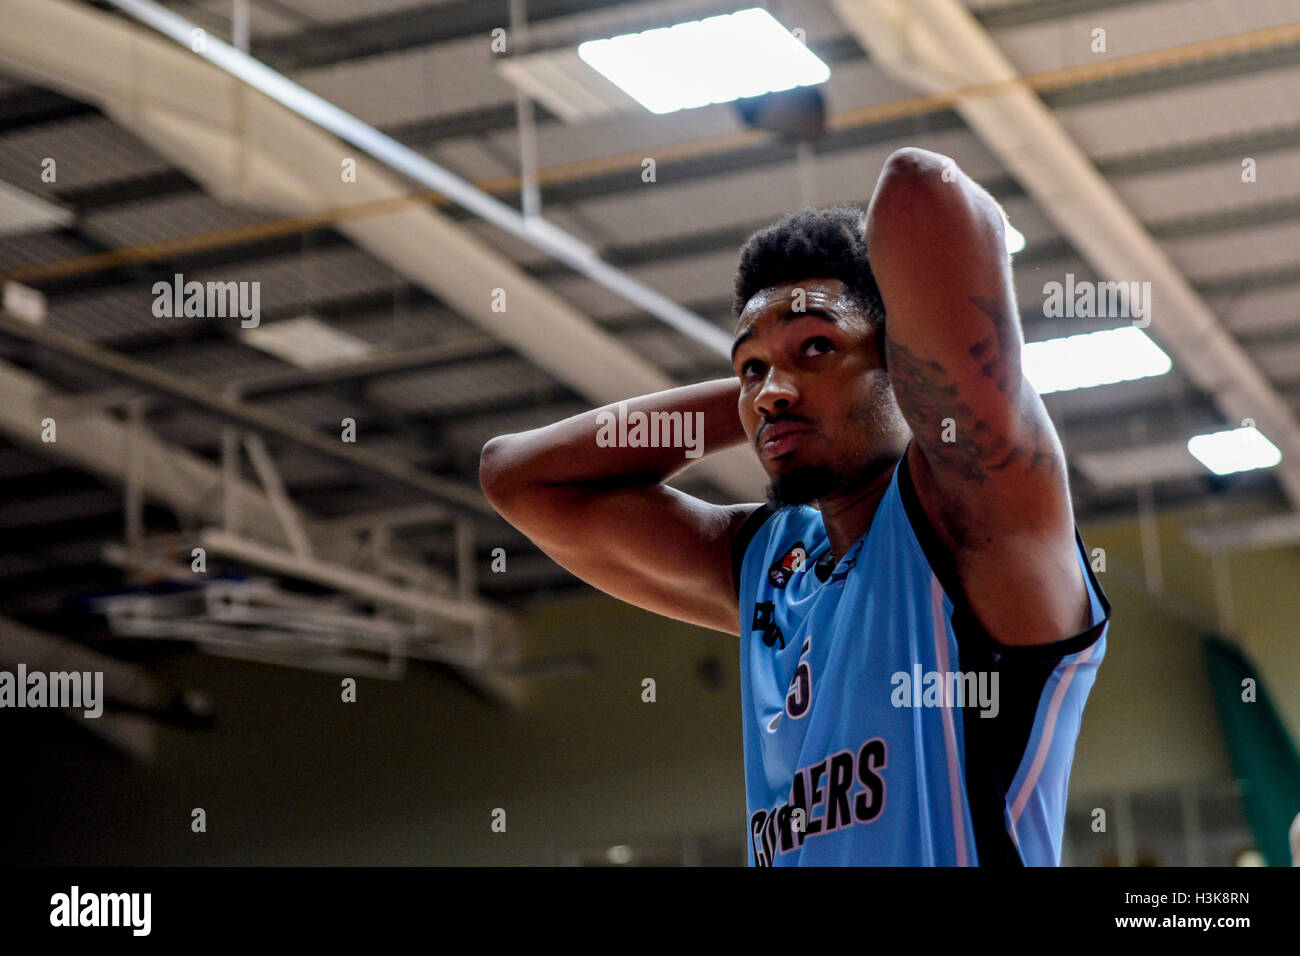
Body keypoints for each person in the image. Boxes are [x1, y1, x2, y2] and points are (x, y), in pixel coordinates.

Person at [479, 147, 1111, 866]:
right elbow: (516, 477)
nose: (772, 388)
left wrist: (817, 374)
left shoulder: (973, 515)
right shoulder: (768, 567)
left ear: (900, 365)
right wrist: (771, 393)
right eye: (750, 367)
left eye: (817, 345)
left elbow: (921, 187)